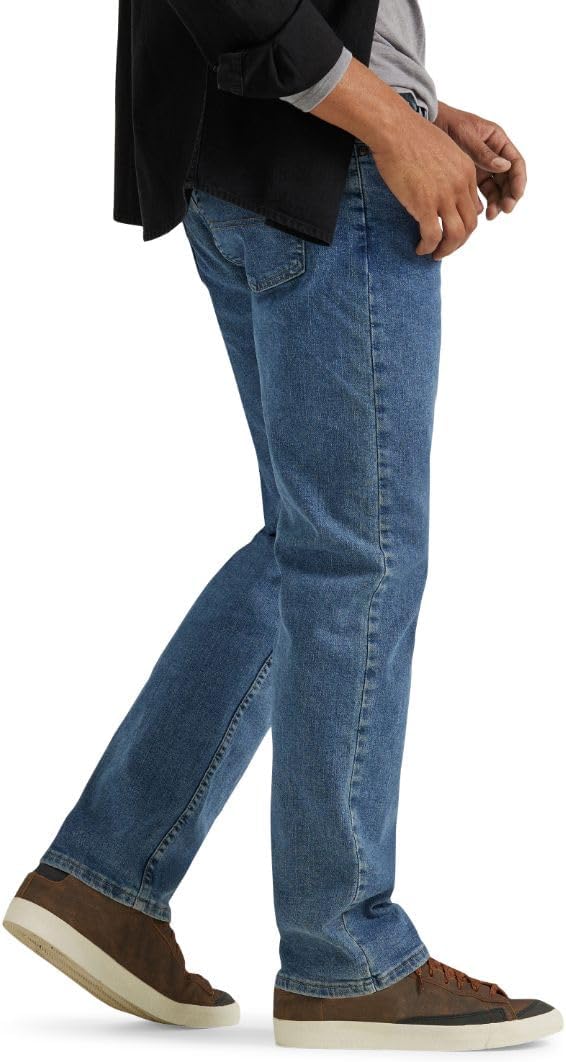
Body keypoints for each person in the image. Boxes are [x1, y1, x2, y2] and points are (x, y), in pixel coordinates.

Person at [3, 0, 562, 1051]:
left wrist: (421, 107)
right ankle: (342, 955)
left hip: (256, 161)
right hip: (330, 167)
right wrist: (390, 125)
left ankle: (106, 878)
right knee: (357, 557)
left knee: (312, 548)